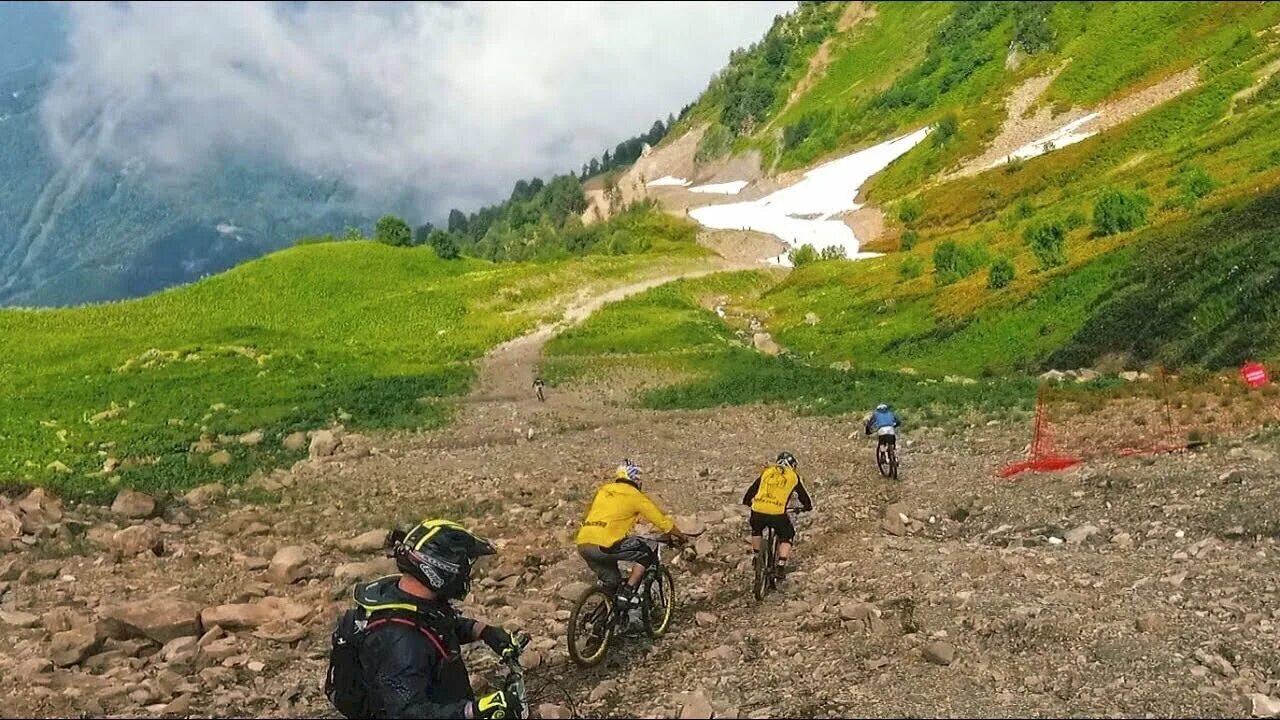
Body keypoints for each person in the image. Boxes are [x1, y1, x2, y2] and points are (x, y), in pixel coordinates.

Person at [328, 519, 530, 719]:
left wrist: (484, 631)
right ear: (439, 569)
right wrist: (475, 711)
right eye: (463, 566)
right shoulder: (401, 641)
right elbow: (408, 713)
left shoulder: (407, 597)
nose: (466, 573)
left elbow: (434, 624)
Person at [575, 460, 685, 609]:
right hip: (605, 544)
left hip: (583, 543)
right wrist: (681, 537)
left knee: (612, 582)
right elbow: (662, 521)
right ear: (635, 479)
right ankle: (628, 591)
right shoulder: (635, 496)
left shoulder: (604, 490)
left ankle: (606, 621)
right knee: (647, 550)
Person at [742, 451, 812, 576]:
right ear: (793, 465)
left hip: (758, 509)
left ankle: (757, 557)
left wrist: (747, 501)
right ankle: (781, 565)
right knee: (787, 535)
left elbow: (753, 488)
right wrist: (807, 507)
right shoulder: (793, 476)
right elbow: (803, 496)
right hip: (777, 513)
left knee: (756, 530)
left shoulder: (767, 471)